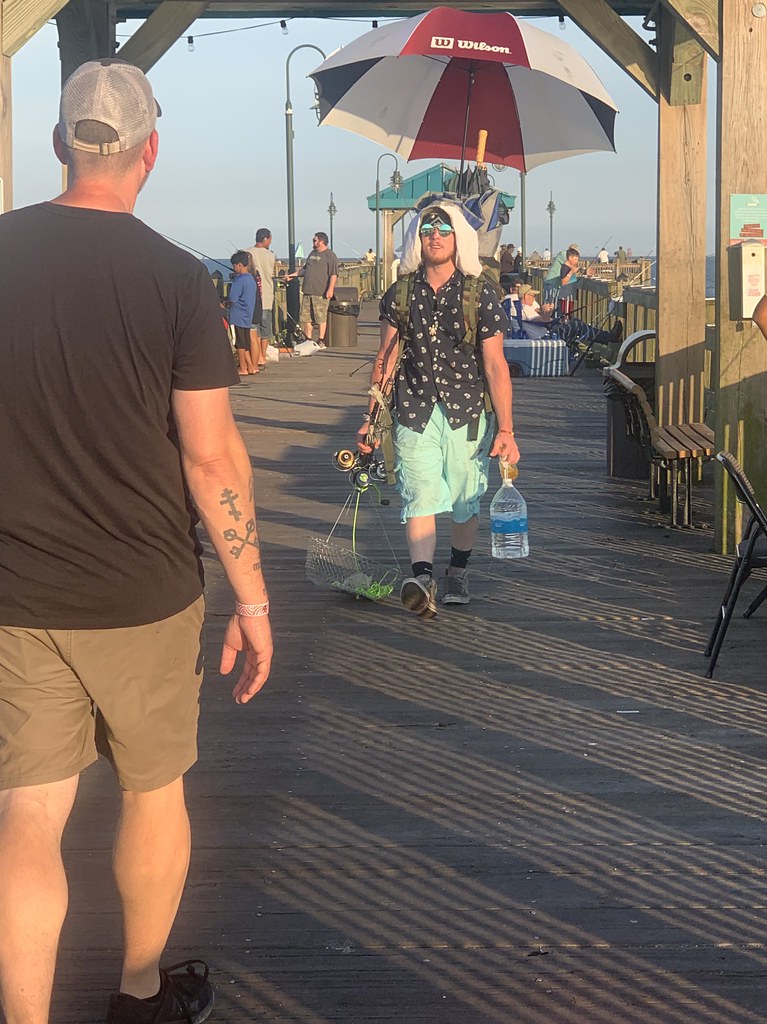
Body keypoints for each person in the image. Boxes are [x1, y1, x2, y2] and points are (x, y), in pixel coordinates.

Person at [0, 58, 273, 1024]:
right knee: (153, 791)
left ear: (61, 144)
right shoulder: (177, 279)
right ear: (150, 150)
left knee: (30, 814)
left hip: (19, 593)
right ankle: (140, 991)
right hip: (147, 591)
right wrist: (252, 598)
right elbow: (211, 459)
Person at [357, 203, 518, 618]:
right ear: (418, 237)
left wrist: (507, 430)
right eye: (427, 227)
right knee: (420, 496)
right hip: (413, 409)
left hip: (466, 413)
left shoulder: (480, 293)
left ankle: (457, 571)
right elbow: (386, 357)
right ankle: (423, 578)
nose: (435, 233)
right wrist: (371, 417)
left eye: (443, 227)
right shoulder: (400, 293)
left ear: (457, 238)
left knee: (465, 500)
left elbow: (496, 365)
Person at [517, 283, 622, 348]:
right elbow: (545, 322)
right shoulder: (525, 309)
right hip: (545, 338)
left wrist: (554, 318)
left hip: (549, 333)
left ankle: (607, 337)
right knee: (576, 325)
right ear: (525, 296)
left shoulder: (530, 306)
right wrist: (546, 312)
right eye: (533, 295)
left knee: (576, 322)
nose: (535, 298)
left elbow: (546, 321)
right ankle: (610, 338)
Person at [286, 231, 338, 345]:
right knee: (306, 317)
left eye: (315, 240)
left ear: (322, 241)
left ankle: (321, 339)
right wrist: (292, 276)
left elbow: (333, 274)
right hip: (307, 290)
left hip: (321, 291)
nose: (313, 242)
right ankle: (308, 339)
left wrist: (330, 289)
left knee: (320, 317)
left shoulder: (330, 255)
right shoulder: (312, 253)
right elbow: (304, 270)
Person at [246, 228, 277, 368]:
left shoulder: (247, 253)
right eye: (270, 239)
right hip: (267, 294)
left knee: (254, 328)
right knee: (265, 330)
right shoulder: (270, 255)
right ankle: (262, 357)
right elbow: (270, 272)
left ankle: (256, 356)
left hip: (252, 296)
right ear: (266, 239)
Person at [227, 251, 258, 376]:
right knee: (245, 343)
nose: (234, 268)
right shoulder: (251, 279)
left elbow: (233, 298)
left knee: (239, 344)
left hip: (237, 316)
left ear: (239, 265)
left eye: (234, 265)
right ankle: (251, 367)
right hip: (247, 316)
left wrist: (224, 303)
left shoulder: (238, 281)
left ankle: (243, 368)